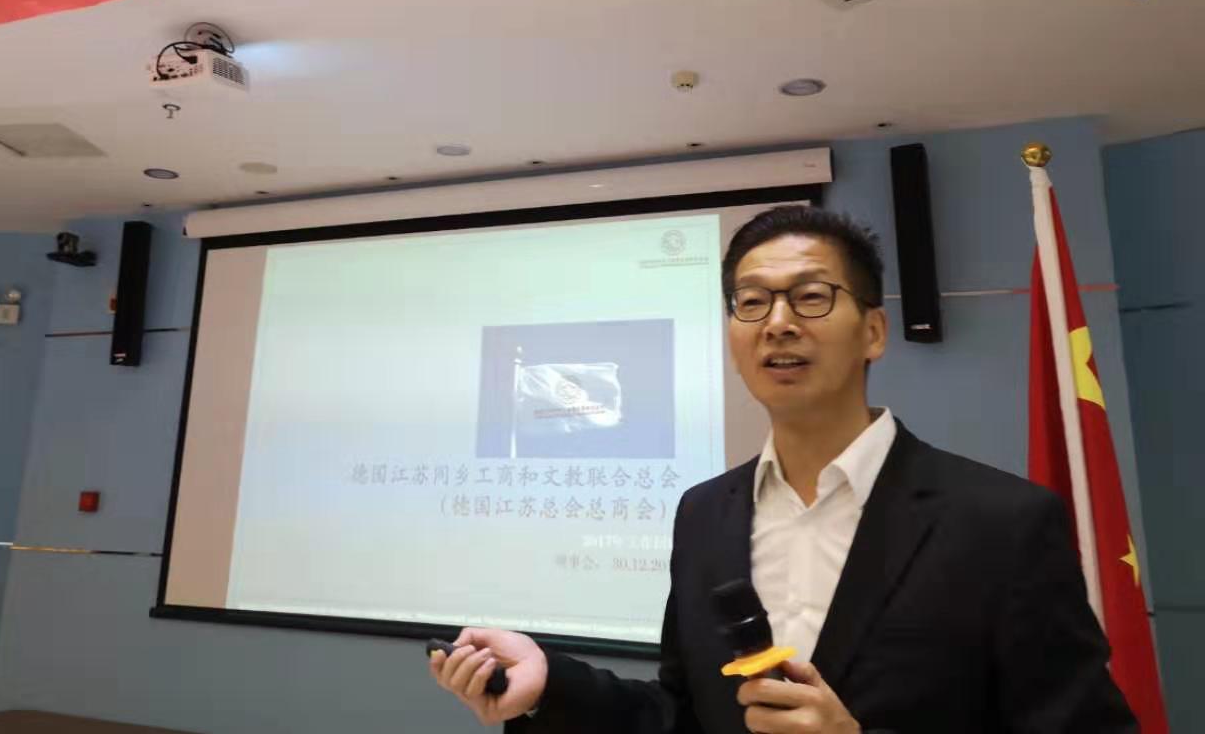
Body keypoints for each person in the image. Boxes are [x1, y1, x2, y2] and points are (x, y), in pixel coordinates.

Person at [428, 205, 1137, 733]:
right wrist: (551, 683)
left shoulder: (1001, 522)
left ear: (874, 331)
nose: (777, 323)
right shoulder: (705, 513)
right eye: (752, 302)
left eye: (811, 296)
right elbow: (684, 713)